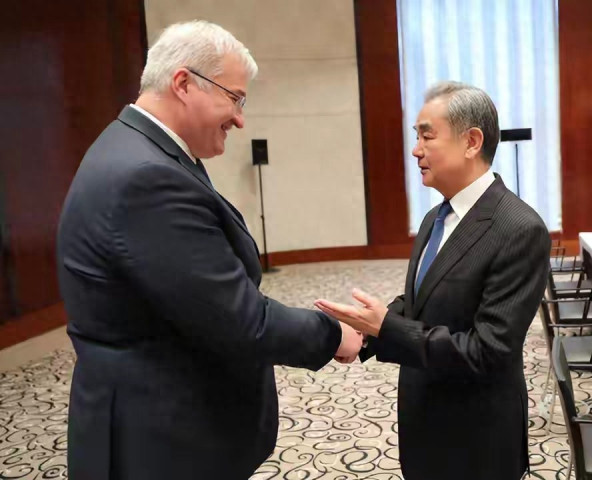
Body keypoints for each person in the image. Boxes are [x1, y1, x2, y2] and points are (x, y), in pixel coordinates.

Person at [56, 20, 362, 480]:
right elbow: (238, 319)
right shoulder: (147, 178)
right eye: (235, 98)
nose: (240, 119)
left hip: (156, 420)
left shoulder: (136, 147)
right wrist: (333, 334)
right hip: (159, 439)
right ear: (183, 83)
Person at [316, 81, 551, 479]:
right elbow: (422, 300)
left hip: (476, 439)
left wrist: (387, 327)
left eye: (427, 136)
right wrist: (366, 331)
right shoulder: (435, 218)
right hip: (425, 420)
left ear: (471, 142)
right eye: (416, 137)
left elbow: (489, 352)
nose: (416, 150)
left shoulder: (519, 229)